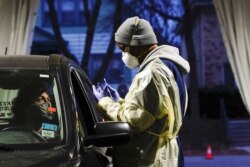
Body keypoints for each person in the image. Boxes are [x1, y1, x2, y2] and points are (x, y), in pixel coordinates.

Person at [92, 16, 190, 167]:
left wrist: (105, 102)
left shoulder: (152, 73)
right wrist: (120, 102)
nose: (123, 53)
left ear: (137, 43)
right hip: (164, 154)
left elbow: (134, 121)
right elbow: (150, 112)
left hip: (151, 156)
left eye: (123, 47)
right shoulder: (168, 66)